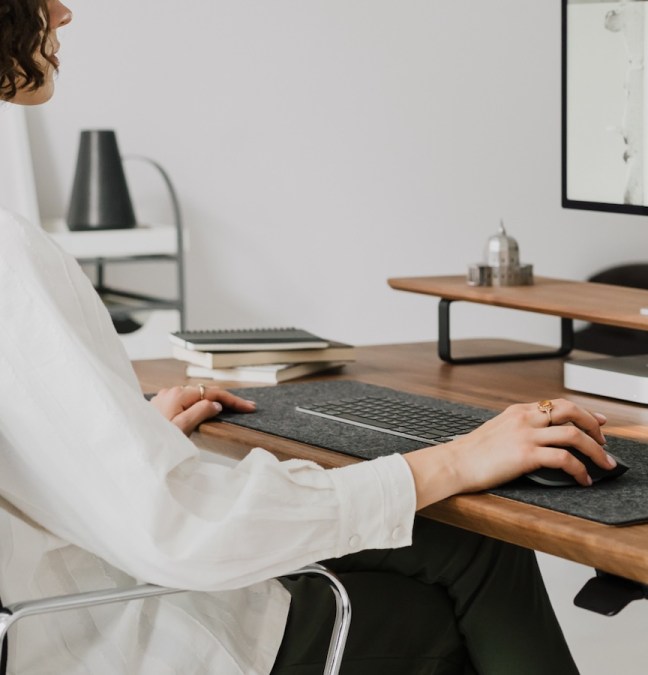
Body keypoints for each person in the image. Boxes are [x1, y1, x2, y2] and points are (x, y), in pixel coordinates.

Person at [0, 2, 616, 673]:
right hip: (133, 635)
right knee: (452, 595)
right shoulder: (11, 260)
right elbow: (181, 530)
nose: (62, 12)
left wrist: (120, 443)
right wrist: (460, 457)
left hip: (90, 586)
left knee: (467, 544)